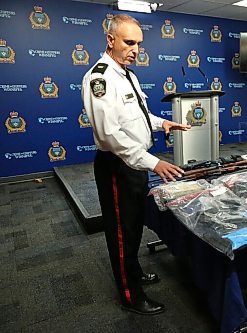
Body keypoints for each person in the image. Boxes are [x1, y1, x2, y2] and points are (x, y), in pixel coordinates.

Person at [81, 14, 191, 315]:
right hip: (117, 166)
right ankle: (131, 295)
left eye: (139, 44)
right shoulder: (100, 78)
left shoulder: (127, 74)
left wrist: (162, 122)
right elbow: (110, 135)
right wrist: (154, 163)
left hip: (135, 165)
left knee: (133, 226)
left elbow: (139, 116)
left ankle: (134, 271)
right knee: (120, 232)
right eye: (129, 42)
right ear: (110, 39)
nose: (135, 49)